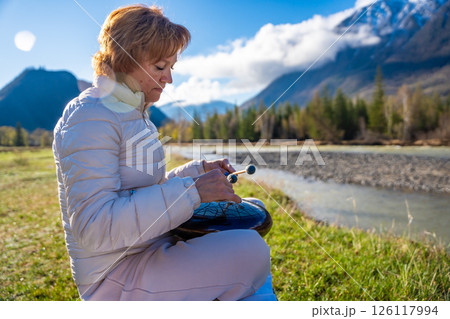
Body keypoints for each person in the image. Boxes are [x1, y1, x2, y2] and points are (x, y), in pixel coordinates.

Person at [52, 4, 275, 301]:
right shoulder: (90, 117)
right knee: (251, 249)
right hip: (115, 276)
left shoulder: (132, 113)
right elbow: (95, 226)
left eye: (171, 67)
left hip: (148, 248)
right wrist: (192, 192)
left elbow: (144, 190)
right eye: (160, 67)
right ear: (125, 60)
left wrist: (197, 173)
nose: (168, 78)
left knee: (252, 211)